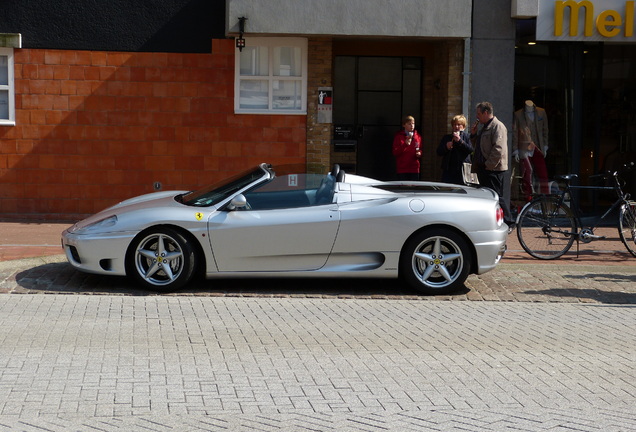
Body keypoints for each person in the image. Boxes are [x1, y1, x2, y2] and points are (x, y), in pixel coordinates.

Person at [470, 101, 515, 231]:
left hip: (493, 169)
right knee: (488, 196)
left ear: (486, 112)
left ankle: (509, 221)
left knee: (496, 196)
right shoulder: (484, 126)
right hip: (484, 168)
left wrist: (488, 165)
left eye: (479, 114)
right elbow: (477, 146)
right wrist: (474, 134)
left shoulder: (497, 126)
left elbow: (499, 149)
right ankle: (495, 221)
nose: (477, 117)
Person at [512, 100, 549, 201]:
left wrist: (545, 146)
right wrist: (515, 150)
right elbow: (515, 133)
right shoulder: (518, 114)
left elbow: (545, 130)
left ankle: (546, 199)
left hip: (538, 147)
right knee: (528, 174)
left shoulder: (541, 112)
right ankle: (528, 200)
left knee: (543, 174)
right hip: (524, 147)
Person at [436, 114, 474, 185]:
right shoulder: (447, 137)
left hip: (463, 170)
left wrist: (460, 141)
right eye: (454, 125)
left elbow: (471, 150)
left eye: (459, 124)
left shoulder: (467, 137)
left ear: (463, 126)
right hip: (449, 170)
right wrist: (446, 147)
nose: (456, 127)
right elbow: (439, 152)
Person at [392, 115, 422, 181]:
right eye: (409, 124)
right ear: (404, 125)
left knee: (414, 189)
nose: (412, 126)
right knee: (404, 189)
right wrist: (405, 144)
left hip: (414, 168)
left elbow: (419, 149)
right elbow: (395, 152)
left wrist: (419, 153)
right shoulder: (399, 136)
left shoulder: (418, 136)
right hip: (403, 168)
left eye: (413, 123)